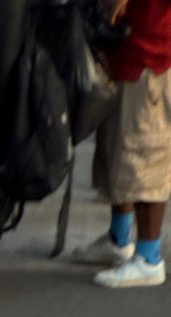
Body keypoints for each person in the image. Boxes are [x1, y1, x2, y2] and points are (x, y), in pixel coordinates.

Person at [72, 0, 171, 287]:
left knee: (145, 153)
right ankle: (119, 238)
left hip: (153, 55)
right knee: (118, 148)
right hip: (125, 48)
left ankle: (149, 257)